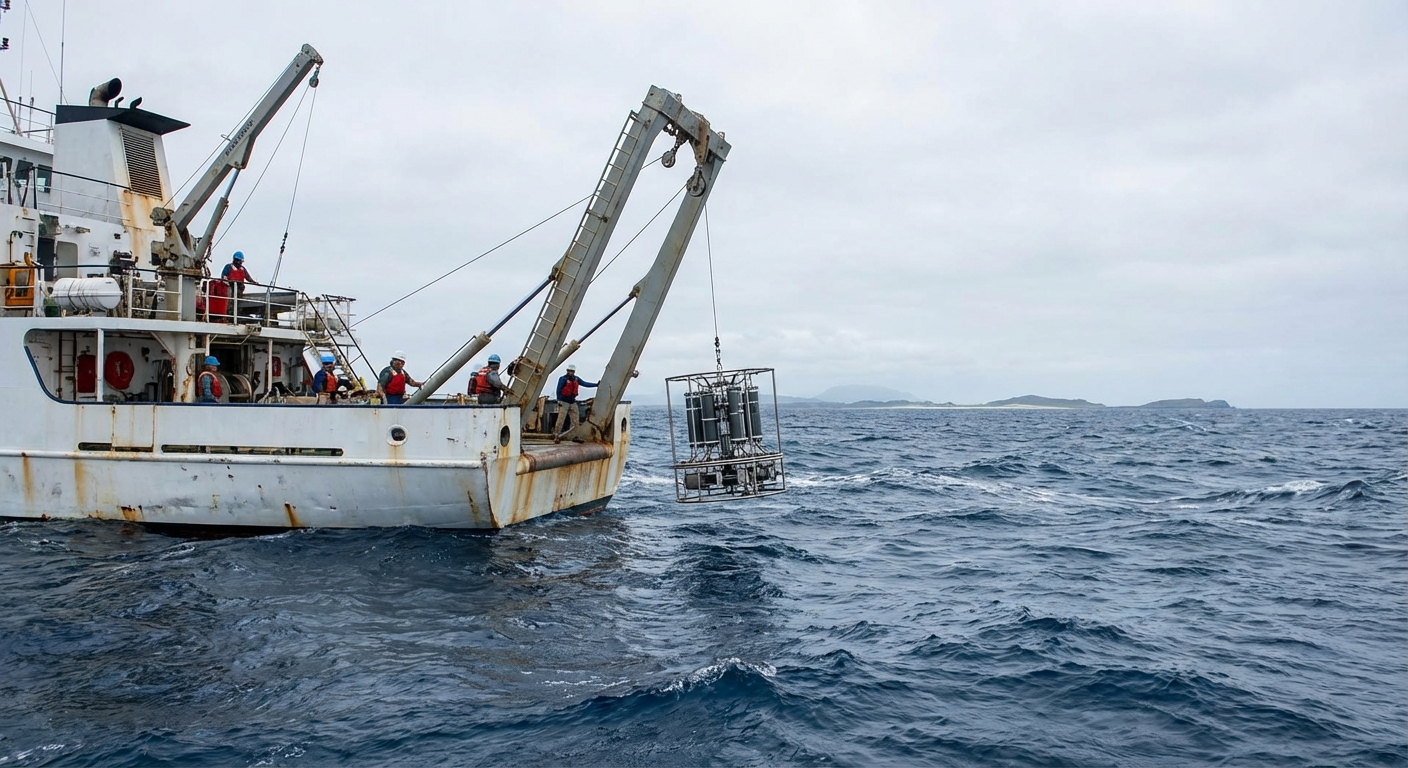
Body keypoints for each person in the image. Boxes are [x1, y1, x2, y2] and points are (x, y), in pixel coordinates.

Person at [554, 363, 598, 438]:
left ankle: (575, 436)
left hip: (572, 401)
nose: (570, 372)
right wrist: (559, 400)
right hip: (564, 402)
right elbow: (558, 390)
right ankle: (556, 434)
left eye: (572, 371)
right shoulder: (563, 379)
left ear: (574, 372)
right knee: (561, 419)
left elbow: (585, 384)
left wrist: (596, 385)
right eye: (569, 371)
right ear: (567, 371)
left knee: (575, 420)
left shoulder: (576, 379)